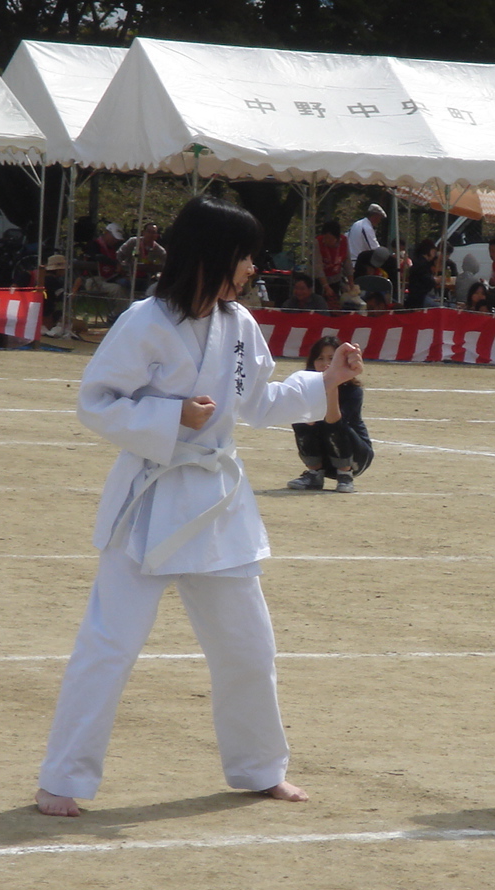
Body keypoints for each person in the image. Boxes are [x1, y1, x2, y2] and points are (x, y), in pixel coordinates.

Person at [34, 195, 364, 817]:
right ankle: (63, 777)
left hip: (216, 503)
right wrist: (170, 416)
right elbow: (96, 402)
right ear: (213, 256)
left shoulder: (239, 325)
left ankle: (260, 767)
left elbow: (259, 403)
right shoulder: (145, 321)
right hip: (151, 498)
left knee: (248, 646)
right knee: (110, 644)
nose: (252, 268)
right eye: (245, 257)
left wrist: (328, 381)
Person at [285, 336, 373, 494]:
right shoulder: (307, 386)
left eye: (332, 359)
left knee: (332, 425)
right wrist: (316, 387)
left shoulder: (353, 391)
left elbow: (334, 420)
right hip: (326, 458)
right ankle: (314, 473)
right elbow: (308, 421)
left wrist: (332, 386)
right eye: (320, 358)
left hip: (354, 457)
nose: (325, 364)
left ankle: (345, 476)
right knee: (300, 420)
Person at [116, 221, 167, 294]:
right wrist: (121, 266)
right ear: (143, 232)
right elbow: (119, 254)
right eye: (149, 231)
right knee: (122, 284)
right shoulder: (133, 242)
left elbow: (165, 264)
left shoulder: (159, 250)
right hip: (129, 277)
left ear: (157, 235)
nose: (151, 235)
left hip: (147, 279)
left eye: (153, 232)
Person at [314, 220, 350, 302]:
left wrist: (351, 283)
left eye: (329, 238)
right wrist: (326, 286)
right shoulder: (318, 242)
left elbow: (347, 262)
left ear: (337, 238)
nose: (326, 241)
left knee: (334, 301)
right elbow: (318, 267)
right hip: (319, 279)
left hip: (335, 277)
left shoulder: (344, 241)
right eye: (325, 238)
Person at [404, 238, 441, 309]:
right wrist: (436, 280)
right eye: (433, 251)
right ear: (429, 251)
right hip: (420, 298)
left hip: (418, 297)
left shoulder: (420, 262)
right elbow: (427, 280)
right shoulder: (422, 264)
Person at [347, 203, 385, 268]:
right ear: (375, 216)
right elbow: (375, 248)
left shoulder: (356, 224)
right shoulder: (367, 228)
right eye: (380, 218)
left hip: (350, 261)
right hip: (358, 263)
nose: (379, 221)